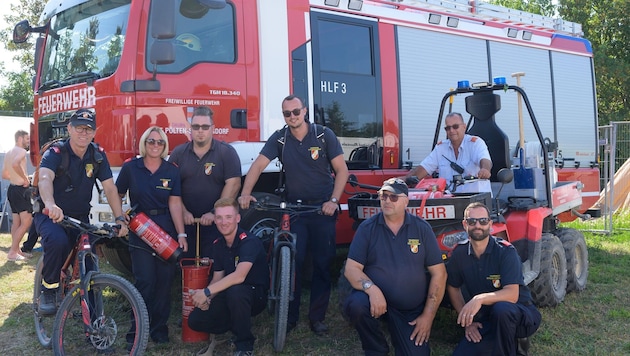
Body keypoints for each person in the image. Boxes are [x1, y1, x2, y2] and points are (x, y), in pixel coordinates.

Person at [238, 94, 349, 335]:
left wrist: (333, 201)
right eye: (287, 113)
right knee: (294, 263)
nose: (292, 117)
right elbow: (257, 166)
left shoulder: (323, 135)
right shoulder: (281, 138)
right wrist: (245, 193)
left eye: (296, 112)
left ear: (305, 111)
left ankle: (317, 318)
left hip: (322, 208)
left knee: (322, 264)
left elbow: (342, 171)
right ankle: (289, 317)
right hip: (295, 209)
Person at [34, 108, 128, 315]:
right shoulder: (56, 152)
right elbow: (44, 178)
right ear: (69, 129)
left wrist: (120, 218)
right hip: (51, 215)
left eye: (88, 129)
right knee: (57, 242)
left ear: (94, 132)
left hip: (80, 217)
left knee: (90, 265)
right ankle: (49, 287)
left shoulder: (97, 155)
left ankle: (94, 323)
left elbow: (110, 189)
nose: (83, 133)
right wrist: (50, 204)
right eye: (79, 128)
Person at [343, 177, 447, 356]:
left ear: (406, 201)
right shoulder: (367, 228)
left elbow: (439, 274)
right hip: (375, 301)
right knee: (356, 305)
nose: (387, 201)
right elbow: (351, 269)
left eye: (393, 197)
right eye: (383, 196)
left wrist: (428, 317)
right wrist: (372, 289)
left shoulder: (422, 229)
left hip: (409, 309)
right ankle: (376, 348)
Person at [116, 126, 188, 344]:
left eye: (160, 142)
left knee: (164, 283)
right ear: (144, 144)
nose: (155, 145)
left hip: (165, 231)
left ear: (165, 146)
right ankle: (136, 330)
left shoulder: (172, 170)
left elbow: (175, 204)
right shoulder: (131, 168)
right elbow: (116, 194)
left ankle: (159, 330)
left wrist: (182, 233)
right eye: (151, 141)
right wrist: (120, 217)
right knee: (145, 281)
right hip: (140, 229)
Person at [446, 202, 542, 356]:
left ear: (490, 224)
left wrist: (479, 299)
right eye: (472, 221)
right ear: (465, 224)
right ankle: (507, 343)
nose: (478, 225)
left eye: (483, 221)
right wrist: (468, 323)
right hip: (487, 320)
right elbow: (453, 286)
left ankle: (517, 342)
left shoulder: (505, 252)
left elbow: (512, 295)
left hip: (519, 314)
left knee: (501, 309)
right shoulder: (459, 253)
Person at [188, 198, 268, 356]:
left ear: (237, 218)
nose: (224, 222)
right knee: (195, 320)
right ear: (215, 220)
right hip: (231, 293)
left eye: (228, 217)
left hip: (254, 295)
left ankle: (245, 344)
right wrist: (208, 298)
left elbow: (239, 276)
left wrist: (206, 292)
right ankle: (234, 325)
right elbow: (218, 277)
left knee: (236, 292)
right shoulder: (218, 244)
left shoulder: (249, 241)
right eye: (219, 218)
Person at [168, 106, 241, 260]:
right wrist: (183, 212)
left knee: (214, 265)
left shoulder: (226, 152)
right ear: (190, 129)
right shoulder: (178, 153)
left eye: (205, 127)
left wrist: (214, 212)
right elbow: (170, 187)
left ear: (212, 128)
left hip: (216, 223)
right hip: (185, 222)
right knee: (186, 265)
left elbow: (233, 184)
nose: (200, 131)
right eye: (196, 127)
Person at [403, 112, 492, 193]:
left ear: (464, 127)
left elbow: (485, 160)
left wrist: (485, 170)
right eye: (448, 128)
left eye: (455, 126)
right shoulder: (441, 148)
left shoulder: (475, 143)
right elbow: (424, 168)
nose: (451, 130)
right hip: (449, 200)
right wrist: (404, 180)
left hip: (476, 201)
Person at [2, 130, 33, 261]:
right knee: (27, 222)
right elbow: (15, 164)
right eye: (27, 138)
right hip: (20, 190)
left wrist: (16, 178)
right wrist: (25, 178)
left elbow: (4, 174)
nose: (28, 141)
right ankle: (13, 252)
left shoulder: (9, 152)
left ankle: (17, 250)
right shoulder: (21, 151)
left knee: (16, 222)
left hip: (12, 189)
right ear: (20, 138)